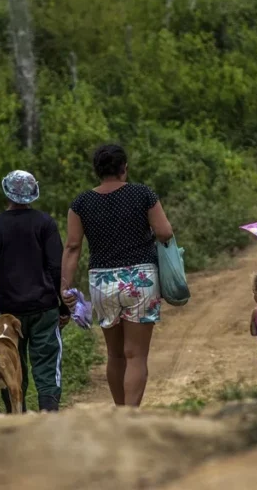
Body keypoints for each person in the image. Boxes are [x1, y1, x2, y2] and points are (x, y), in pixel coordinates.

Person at [61, 144, 173, 407]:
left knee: (115, 355)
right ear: (124, 168)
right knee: (135, 356)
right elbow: (164, 232)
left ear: (97, 171)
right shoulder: (143, 194)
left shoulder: (80, 203)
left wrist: (64, 286)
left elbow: (73, 246)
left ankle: (120, 412)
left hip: (102, 282)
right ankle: (130, 417)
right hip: (140, 279)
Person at [0, 170, 71, 413]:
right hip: (44, 309)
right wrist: (65, 305)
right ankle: (49, 414)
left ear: (7, 192)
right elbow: (57, 267)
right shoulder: (44, 223)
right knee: (47, 365)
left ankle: (18, 418)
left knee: (12, 366)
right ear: (33, 194)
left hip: (9, 314)